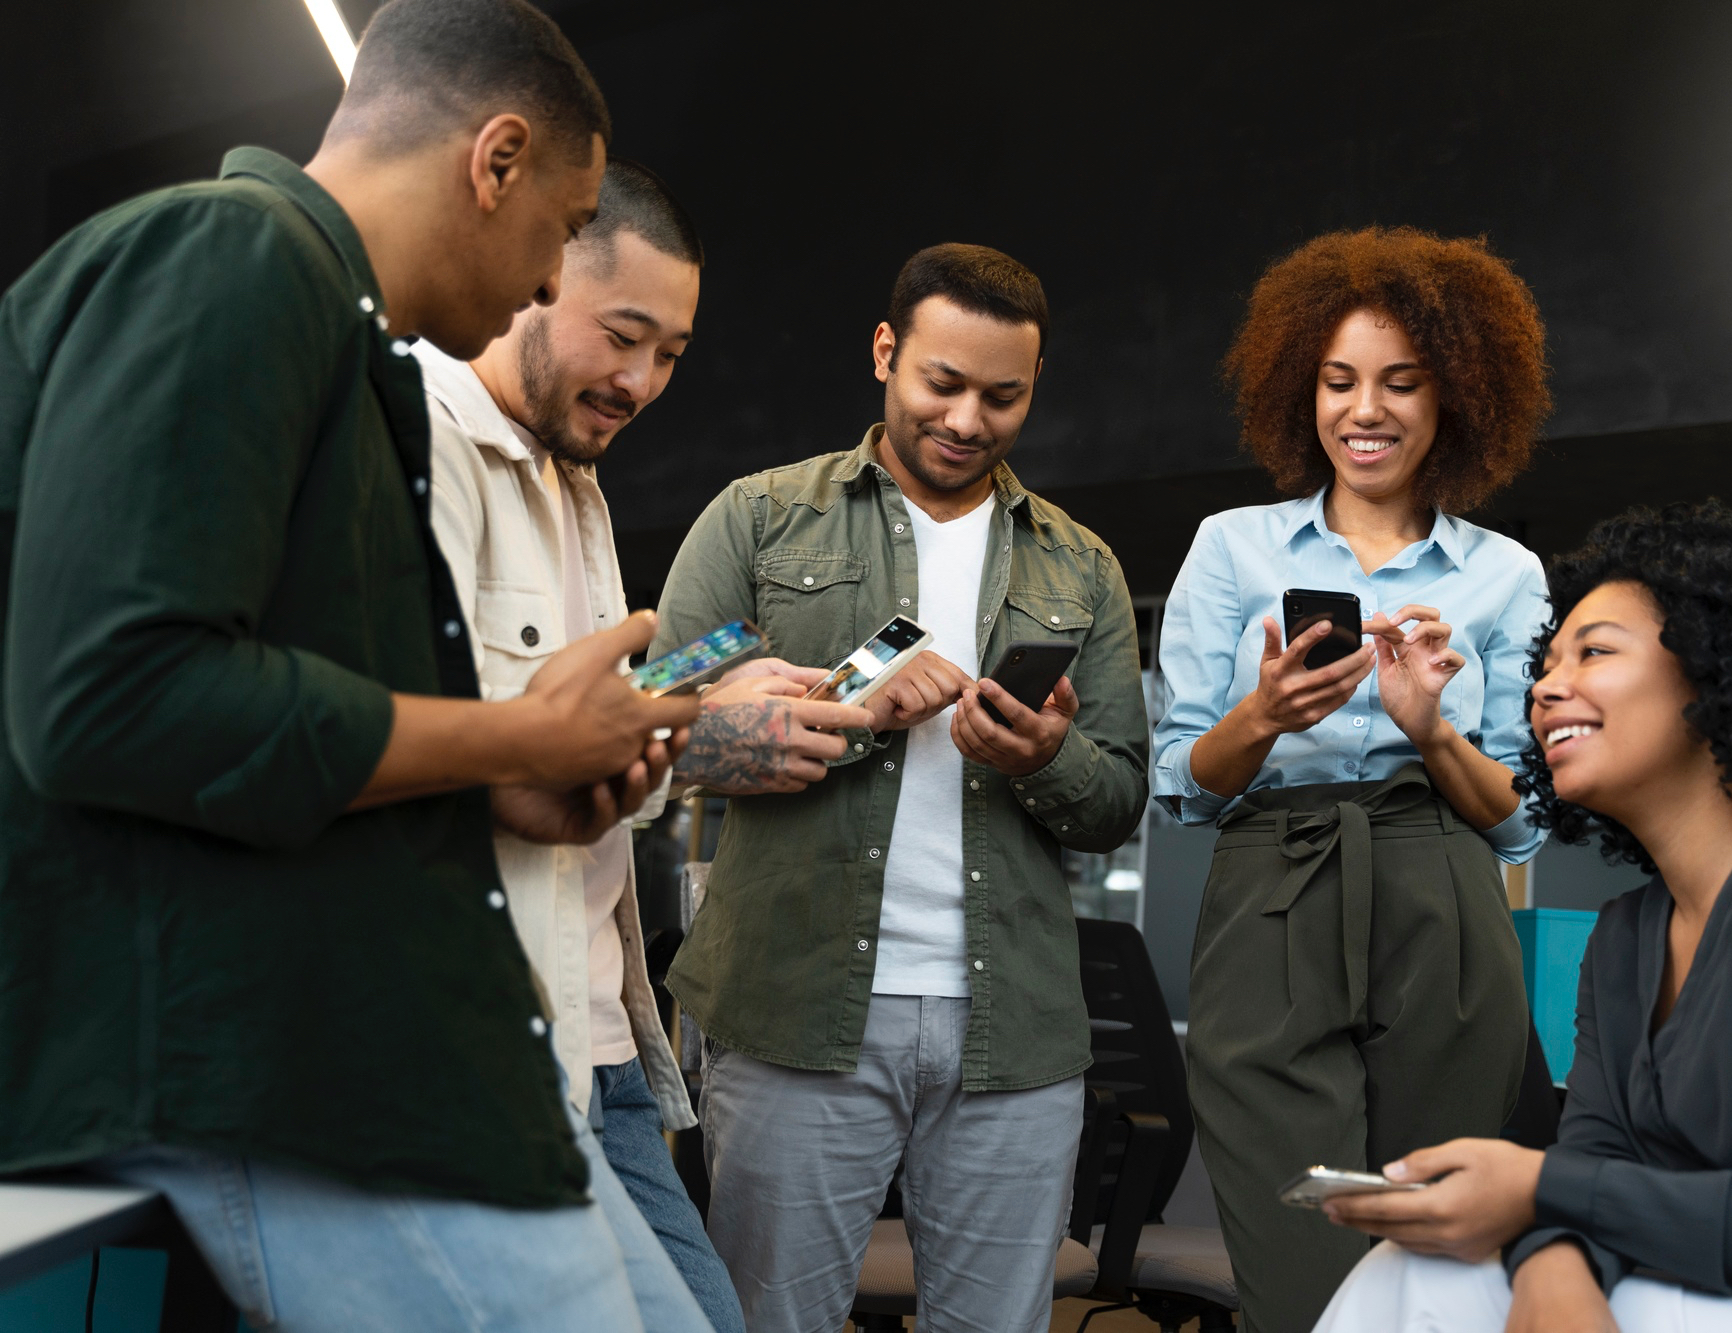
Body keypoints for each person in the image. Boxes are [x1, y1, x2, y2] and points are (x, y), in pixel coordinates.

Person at [0, 2, 721, 1328]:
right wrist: (515, 741)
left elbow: (245, 724)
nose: (552, 284)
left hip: (333, 1046)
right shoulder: (231, 253)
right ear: (494, 160)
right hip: (265, 1062)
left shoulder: (341, 345)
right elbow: (109, 694)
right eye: (565, 233)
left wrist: (493, 785)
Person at [1312, 500, 1732, 1333]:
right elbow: (1598, 1167)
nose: (1545, 685)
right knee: (1417, 1268)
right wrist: (1554, 1266)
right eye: (1549, 659)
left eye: (1594, 651)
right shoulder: (1628, 936)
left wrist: (1533, 1191)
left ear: (1721, 673)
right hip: (1722, 1284)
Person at [654, 243, 1150, 1331]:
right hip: (793, 1009)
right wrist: (853, 712)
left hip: (1010, 1032)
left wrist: (1040, 758)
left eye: (1002, 395)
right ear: (885, 353)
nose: (969, 419)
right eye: (942, 382)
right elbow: (652, 732)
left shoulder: (1080, 567)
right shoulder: (761, 521)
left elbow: (1114, 800)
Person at [421, 157, 869, 1333]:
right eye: (624, 336)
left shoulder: (578, 481)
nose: (642, 381)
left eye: (670, 353)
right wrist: (690, 722)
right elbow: (451, 746)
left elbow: (580, 718)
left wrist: (691, 696)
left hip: (609, 1035)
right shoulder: (422, 442)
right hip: (504, 1037)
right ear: (533, 275)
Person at [1152, 226, 1555, 1331]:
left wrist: (1431, 730)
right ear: (1300, 390)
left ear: (1453, 399)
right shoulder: (1231, 548)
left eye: (1398, 383)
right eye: (1336, 382)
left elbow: (1513, 821)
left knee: (1431, 1239)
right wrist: (1263, 713)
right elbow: (1183, 780)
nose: (1362, 410)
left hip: (1440, 885)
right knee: (1299, 1259)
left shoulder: (1502, 573)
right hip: (1268, 884)